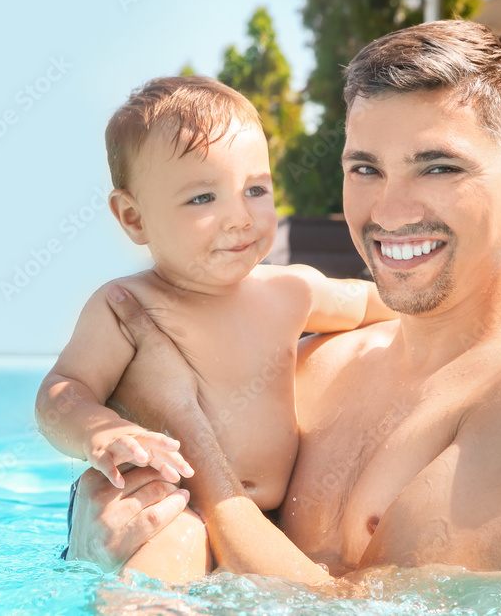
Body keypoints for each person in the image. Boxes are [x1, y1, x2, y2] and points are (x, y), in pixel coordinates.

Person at [66, 20, 501, 586]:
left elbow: (375, 614)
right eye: (366, 168)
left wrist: (185, 424)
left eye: (439, 167)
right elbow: (203, 554)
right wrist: (95, 541)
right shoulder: (312, 366)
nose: (390, 212)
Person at [35, 76, 396, 582]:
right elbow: (60, 392)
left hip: (263, 522)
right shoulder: (127, 306)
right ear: (133, 217)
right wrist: (104, 432)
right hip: (166, 510)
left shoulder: (289, 293)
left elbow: (372, 304)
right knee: (175, 550)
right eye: (203, 198)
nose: (240, 217)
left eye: (256, 189)